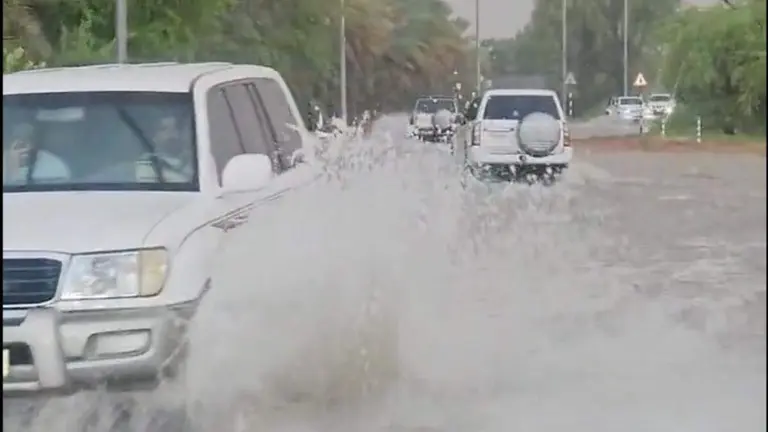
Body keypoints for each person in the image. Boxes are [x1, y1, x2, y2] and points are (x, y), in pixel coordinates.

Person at [3, 123, 70, 185]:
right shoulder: (5, 159)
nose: (26, 147)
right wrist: (12, 168)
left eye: (29, 139)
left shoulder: (55, 165)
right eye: (20, 142)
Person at [136, 114, 193, 183]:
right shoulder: (148, 163)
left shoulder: (192, 159)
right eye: (164, 129)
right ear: (154, 136)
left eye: (175, 128)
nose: (171, 133)